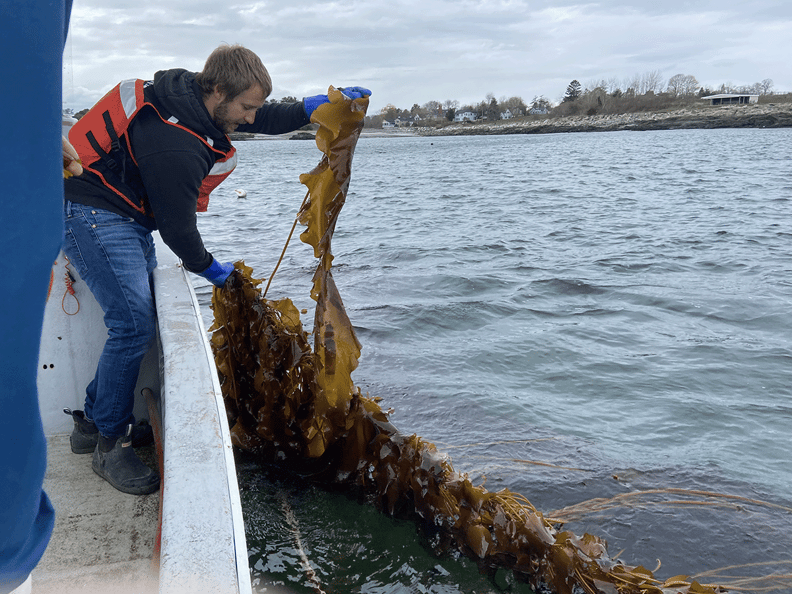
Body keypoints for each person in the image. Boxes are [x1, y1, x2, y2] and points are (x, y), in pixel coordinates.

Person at [61, 43, 370, 495]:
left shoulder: (193, 97)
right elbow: (178, 230)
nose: (250, 117)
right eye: (246, 106)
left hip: (122, 213)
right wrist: (212, 270)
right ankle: (109, 442)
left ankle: (91, 422)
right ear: (219, 90)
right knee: (131, 325)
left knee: (133, 322)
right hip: (94, 214)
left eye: (255, 105)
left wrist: (311, 107)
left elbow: (261, 118)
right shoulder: (175, 144)